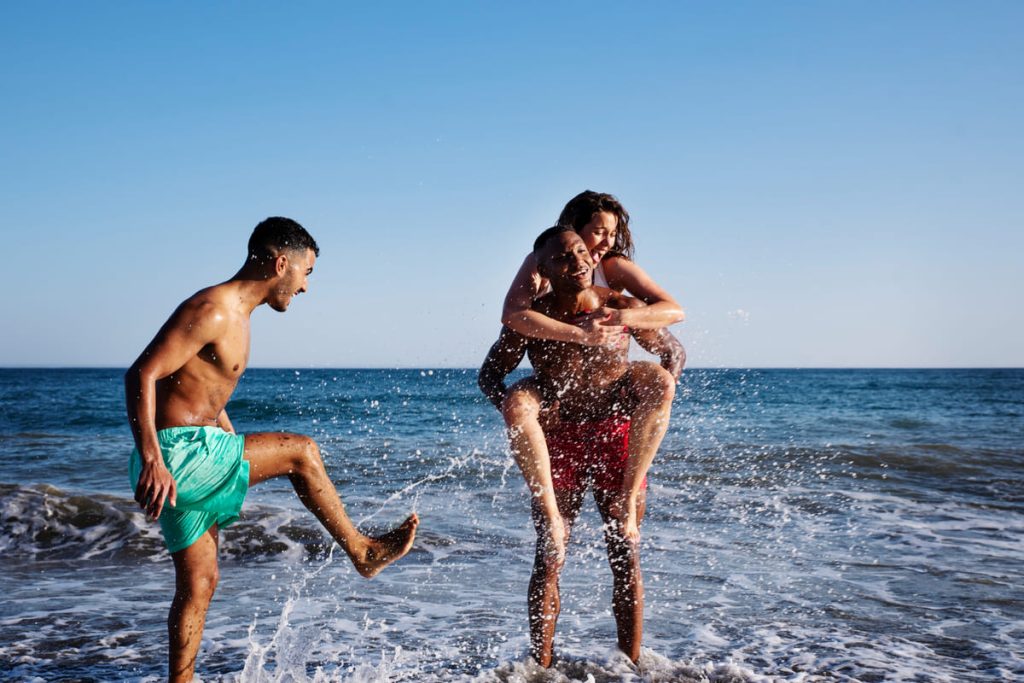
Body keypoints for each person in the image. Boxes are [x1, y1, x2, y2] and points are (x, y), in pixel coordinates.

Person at [125, 217, 419, 682]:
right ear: (282, 263)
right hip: (177, 455)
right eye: (306, 274)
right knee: (301, 452)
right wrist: (153, 461)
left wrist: (228, 439)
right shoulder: (214, 309)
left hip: (189, 450)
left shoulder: (236, 316)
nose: (304, 288)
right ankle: (362, 552)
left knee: (200, 583)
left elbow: (201, 397)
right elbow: (140, 374)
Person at [479, 226, 684, 666]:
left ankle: (631, 666)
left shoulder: (618, 307)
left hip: (615, 440)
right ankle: (541, 667)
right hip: (560, 442)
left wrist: (647, 406)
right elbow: (489, 376)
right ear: (546, 270)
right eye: (565, 258)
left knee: (625, 554)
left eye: (580, 253)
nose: (579, 263)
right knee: (550, 555)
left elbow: (673, 354)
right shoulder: (535, 320)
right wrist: (524, 409)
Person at [498, 191, 684, 574]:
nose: (604, 243)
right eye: (597, 232)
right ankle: (552, 519)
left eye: (611, 233)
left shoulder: (614, 269)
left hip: (611, 393)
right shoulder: (542, 262)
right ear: (573, 231)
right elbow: (514, 316)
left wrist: (622, 320)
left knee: (661, 382)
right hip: (558, 393)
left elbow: (673, 314)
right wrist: (577, 334)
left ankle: (628, 498)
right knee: (518, 404)